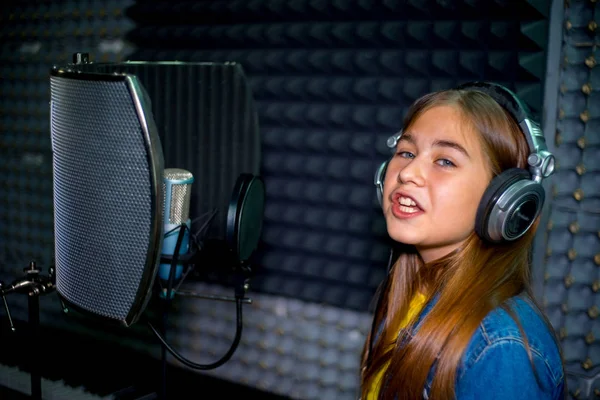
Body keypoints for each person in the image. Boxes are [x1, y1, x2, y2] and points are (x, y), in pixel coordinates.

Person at [361, 82, 566, 400]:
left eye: (445, 161)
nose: (408, 172)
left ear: (502, 201)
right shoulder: (408, 293)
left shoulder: (502, 348)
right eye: (406, 152)